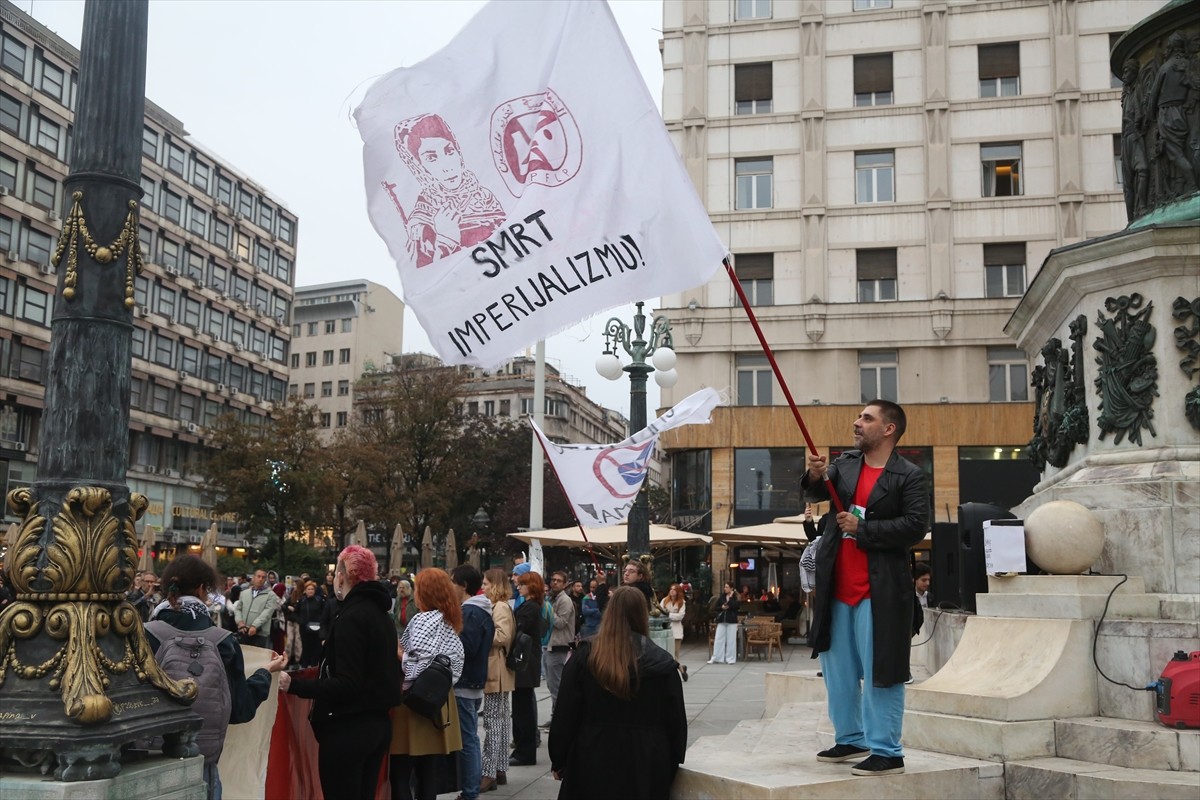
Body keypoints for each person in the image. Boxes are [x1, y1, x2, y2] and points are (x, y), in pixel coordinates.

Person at [803, 400, 930, 777]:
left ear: (888, 429)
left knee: (882, 670)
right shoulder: (844, 464)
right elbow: (815, 494)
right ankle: (851, 737)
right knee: (837, 670)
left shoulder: (908, 475)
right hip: (836, 588)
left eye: (867, 418)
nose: (857, 423)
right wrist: (814, 475)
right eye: (859, 417)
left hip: (880, 591)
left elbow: (915, 527)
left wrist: (865, 530)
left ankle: (887, 751)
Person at [146, 555, 287, 800]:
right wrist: (264, 672)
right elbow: (239, 709)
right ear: (202, 589)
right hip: (203, 764)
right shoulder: (224, 642)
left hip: (147, 762)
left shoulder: (143, 635)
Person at [280, 546, 403, 800]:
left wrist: (294, 685)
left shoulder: (352, 616)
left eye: (337, 571)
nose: (335, 577)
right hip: (376, 724)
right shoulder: (381, 615)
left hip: (348, 729)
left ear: (345, 575)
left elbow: (347, 683)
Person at [548, 587, 687, 800]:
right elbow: (676, 723)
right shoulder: (662, 664)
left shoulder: (585, 657)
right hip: (646, 759)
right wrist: (670, 764)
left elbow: (565, 713)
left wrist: (559, 759)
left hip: (593, 754)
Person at [389, 568, 465, 800]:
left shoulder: (423, 619)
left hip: (413, 700)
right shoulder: (449, 619)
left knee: (400, 773)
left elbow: (418, 662)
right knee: (427, 773)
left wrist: (400, 654)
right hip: (438, 699)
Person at [394, 113, 507, 268]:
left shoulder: (483, 196)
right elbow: (427, 275)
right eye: (432, 158)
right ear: (419, 168)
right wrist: (445, 236)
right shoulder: (422, 218)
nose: (448, 166)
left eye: (449, 151)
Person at [451, 565, 495, 800]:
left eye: (453, 582)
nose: (450, 586)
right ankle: (470, 790)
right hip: (472, 681)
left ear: (464, 585)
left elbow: (466, 648)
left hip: (465, 683)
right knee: (470, 738)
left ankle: (470, 792)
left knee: (468, 739)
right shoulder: (480, 610)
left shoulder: (470, 612)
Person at [480, 568, 515, 793]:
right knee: (500, 720)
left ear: (494, 585)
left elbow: (502, 636)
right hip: (498, 670)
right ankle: (499, 768)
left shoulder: (500, 606)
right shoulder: (500, 605)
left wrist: (479, 634)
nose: (482, 587)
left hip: (497, 670)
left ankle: (488, 772)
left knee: (493, 722)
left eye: (485, 583)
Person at [509, 570, 545, 766]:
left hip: (525, 663)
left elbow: (517, 629)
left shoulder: (530, 607)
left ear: (531, 587)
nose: (518, 586)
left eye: (522, 584)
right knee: (523, 706)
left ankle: (525, 751)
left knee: (523, 709)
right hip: (527, 662)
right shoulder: (529, 605)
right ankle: (523, 749)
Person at [542, 571, 576, 729]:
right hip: (549, 645)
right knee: (551, 684)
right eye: (553, 580)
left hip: (559, 646)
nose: (554, 583)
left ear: (564, 584)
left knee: (557, 686)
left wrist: (548, 610)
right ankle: (555, 716)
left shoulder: (565, 600)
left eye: (558, 581)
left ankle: (559, 719)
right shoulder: (552, 598)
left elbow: (561, 623)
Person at [233, 569, 280, 649]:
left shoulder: (271, 595)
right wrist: (240, 622)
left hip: (259, 633)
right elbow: (238, 609)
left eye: (263, 577)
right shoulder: (244, 593)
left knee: (257, 659)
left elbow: (267, 613)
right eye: (258, 576)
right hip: (243, 630)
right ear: (253, 578)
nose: (260, 579)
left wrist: (255, 626)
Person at [292, 580, 325, 668]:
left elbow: (324, 613)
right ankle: (304, 666)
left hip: (316, 628)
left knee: (315, 648)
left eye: (312, 589)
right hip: (304, 628)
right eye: (308, 589)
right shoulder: (302, 601)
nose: (310, 591)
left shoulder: (319, 601)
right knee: (305, 647)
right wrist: (300, 621)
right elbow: (295, 613)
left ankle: (314, 666)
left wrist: (320, 621)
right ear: (305, 590)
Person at [708, 583, 739, 665]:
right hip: (722, 620)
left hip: (732, 621)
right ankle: (717, 657)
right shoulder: (722, 597)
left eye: (727, 587)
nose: (725, 588)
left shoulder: (735, 597)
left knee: (731, 640)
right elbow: (716, 608)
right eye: (725, 587)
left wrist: (731, 597)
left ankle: (730, 659)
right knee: (718, 639)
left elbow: (735, 606)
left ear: (731, 588)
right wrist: (721, 607)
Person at [663, 584, 687, 662]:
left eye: (674, 589)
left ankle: (679, 669)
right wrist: (670, 616)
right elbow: (660, 613)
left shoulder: (682, 602)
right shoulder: (664, 601)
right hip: (666, 629)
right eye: (671, 589)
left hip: (676, 630)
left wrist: (669, 615)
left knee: (675, 653)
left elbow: (680, 616)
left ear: (678, 592)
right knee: (666, 652)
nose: (672, 591)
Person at [913, 563, 931, 636]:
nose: (927, 583)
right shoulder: (909, 599)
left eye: (928, 580)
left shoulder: (931, 597)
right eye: (924, 580)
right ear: (914, 580)